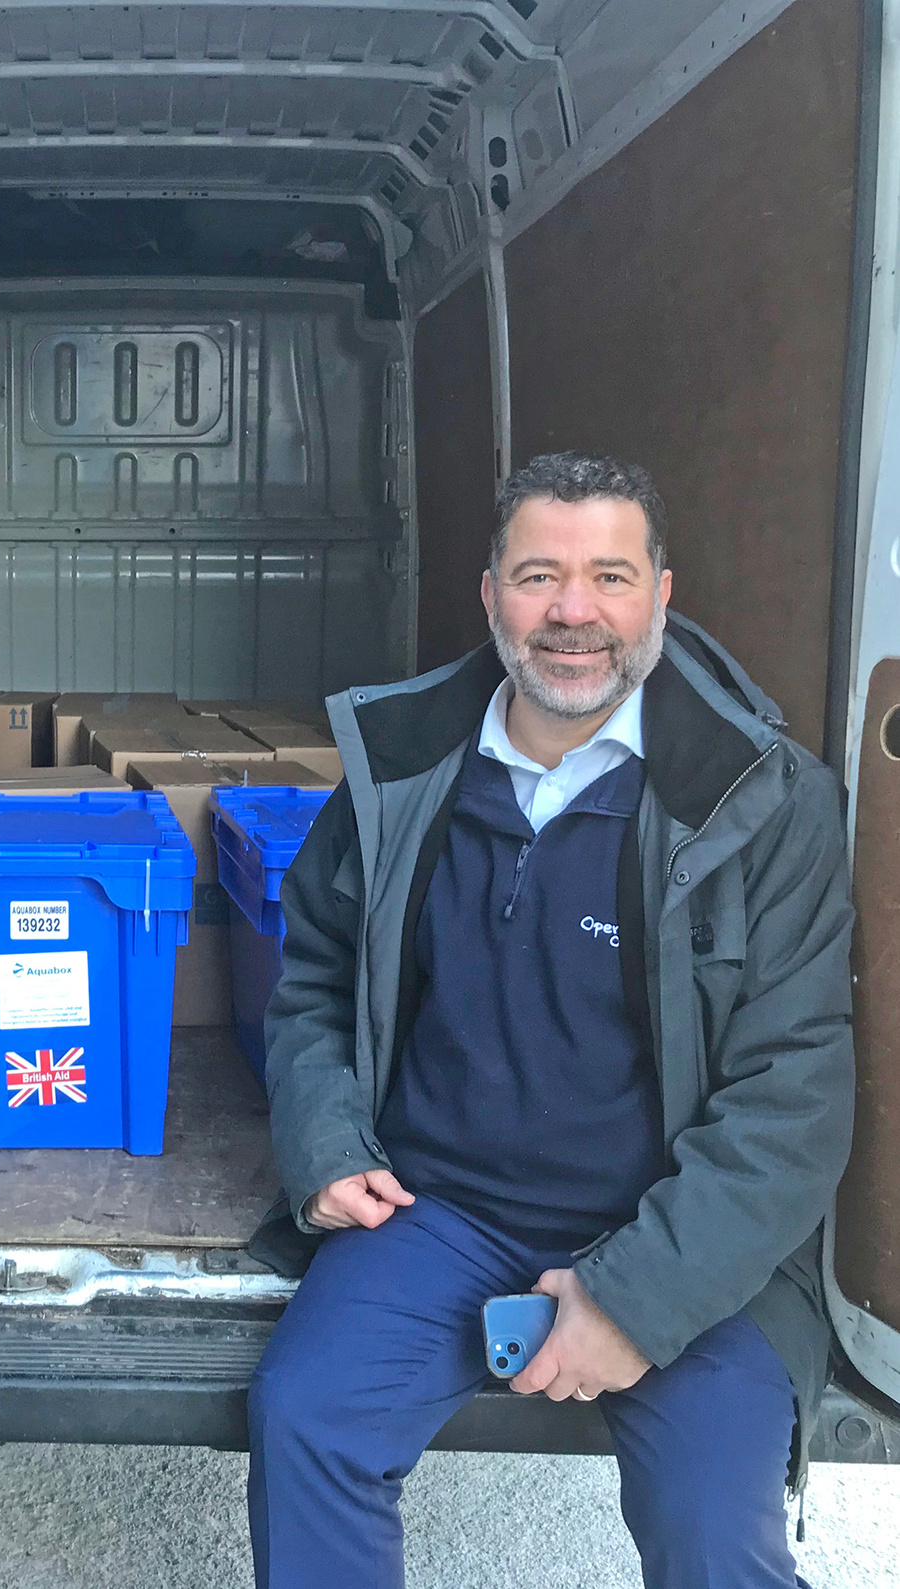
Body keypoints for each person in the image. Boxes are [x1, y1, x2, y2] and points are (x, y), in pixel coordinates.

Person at [249, 452, 855, 1588]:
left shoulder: (763, 801)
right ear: (488, 595)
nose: (572, 611)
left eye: (608, 577)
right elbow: (316, 977)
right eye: (537, 575)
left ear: (661, 596)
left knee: (713, 1530)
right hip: (442, 1213)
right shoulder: (401, 771)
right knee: (307, 1418)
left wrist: (633, 1298)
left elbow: (794, 1095)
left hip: (680, 1232)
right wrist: (326, 1145)